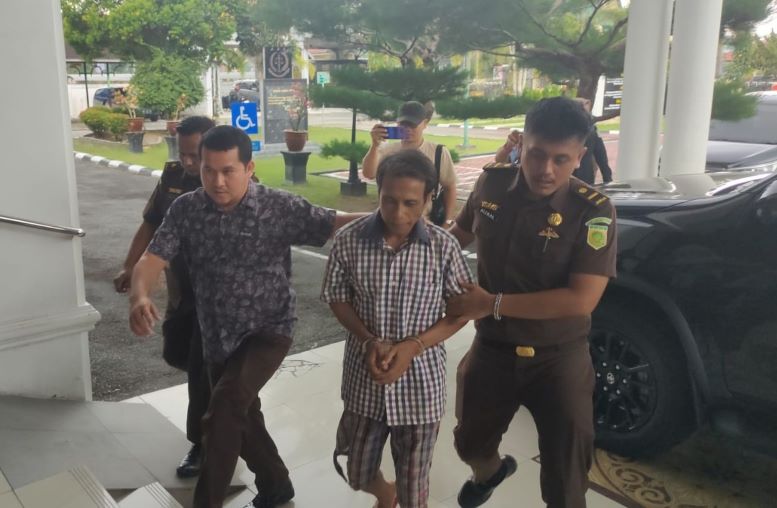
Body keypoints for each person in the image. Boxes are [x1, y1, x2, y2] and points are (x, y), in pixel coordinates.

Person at [128, 125, 361, 508]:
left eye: (228, 171)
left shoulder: (277, 207)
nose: (217, 181)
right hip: (217, 335)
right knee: (243, 415)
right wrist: (140, 296)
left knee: (222, 411)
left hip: (268, 331)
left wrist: (393, 217)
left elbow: (333, 222)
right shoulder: (186, 209)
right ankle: (276, 485)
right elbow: (153, 258)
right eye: (209, 170)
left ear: (249, 168)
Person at [446, 97, 618, 508]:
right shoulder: (491, 185)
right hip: (493, 349)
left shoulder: (593, 211)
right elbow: (457, 238)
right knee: (469, 444)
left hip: (559, 358)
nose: (546, 170)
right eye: (537, 154)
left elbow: (582, 299)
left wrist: (491, 304)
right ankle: (491, 472)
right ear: (522, 144)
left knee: (565, 479)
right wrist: (410, 251)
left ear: (580, 157)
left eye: (561, 159)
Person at [322, 149, 473, 508]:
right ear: (379, 191)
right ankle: (384, 493)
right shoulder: (349, 239)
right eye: (389, 200)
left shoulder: (443, 248)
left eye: (410, 203)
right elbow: (337, 297)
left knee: (413, 487)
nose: (398, 213)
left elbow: (460, 312)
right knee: (357, 471)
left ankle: (401, 497)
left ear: (429, 198)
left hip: (420, 386)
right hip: (365, 380)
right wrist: (367, 340)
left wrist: (414, 346)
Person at [113, 115, 214, 478]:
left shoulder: (230, 179)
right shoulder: (173, 176)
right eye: (183, 153)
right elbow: (151, 223)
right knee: (179, 352)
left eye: (195, 155)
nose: (187, 162)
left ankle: (203, 443)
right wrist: (131, 267)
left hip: (218, 298)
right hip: (181, 288)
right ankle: (222, 402)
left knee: (202, 368)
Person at [362, 101, 458, 227]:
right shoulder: (387, 150)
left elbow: (450, 187)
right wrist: (374, 146)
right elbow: (368, 173)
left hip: (425, 223)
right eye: (403, 124)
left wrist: (447, 221)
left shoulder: (438, 152)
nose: (408, 129)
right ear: (397, 123)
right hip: (389, 222)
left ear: (425, 124)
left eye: (412, 125)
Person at [573, 98, 613, 185]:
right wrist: (607, 178)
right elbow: (601, 157)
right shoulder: (592, 130)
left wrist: (607, 178)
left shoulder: (592, 131)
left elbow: (601, 155)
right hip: (583, 177)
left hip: (583, 176)